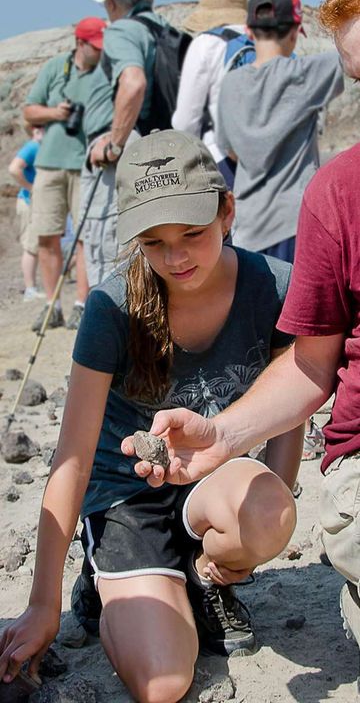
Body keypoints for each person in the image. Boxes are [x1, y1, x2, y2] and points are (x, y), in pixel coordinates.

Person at [0, 131, 303, 703]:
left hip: (213, 477)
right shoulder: (112, 307)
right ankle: (106, 582)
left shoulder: (273, 286)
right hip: (125, 498)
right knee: (164, 684)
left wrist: (273, 512)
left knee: (269, 512)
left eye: (192, 233)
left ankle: (206, 577)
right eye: (155, 241)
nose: (177, 256)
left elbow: (289, 407)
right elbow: (72, 457)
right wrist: (43, 604)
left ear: (227, 211)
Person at [131, 0, 360, 666]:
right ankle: (262, 499)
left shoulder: (229, 84)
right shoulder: (312, 90)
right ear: (299, 30)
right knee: (282, 354)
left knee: (264, 361)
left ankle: (250, 501)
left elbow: (211, 141)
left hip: (244, 230)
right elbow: (312, 365)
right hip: (288, 233)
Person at [216, 0, 344, 263]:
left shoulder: (230, 84)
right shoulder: (305, 74)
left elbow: (230, 151)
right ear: (295, 33)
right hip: (296, 222)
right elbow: (350, 58)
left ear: (249, 31)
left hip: (248, 226)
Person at [81, 0, 165, 288]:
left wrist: (113, 144)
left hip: (119, 155)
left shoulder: (121, 31)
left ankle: (112, 331)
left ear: (113, 1)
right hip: (155, 148)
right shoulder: (164, 29)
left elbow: (132, 82)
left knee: (108, 247)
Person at [23, 16, 106, 331]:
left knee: (86, 238)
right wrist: (55, 113)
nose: (100, 51)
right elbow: (30, 110)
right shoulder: (56, 68)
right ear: (80, 43)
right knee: (47, 235)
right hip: (49, 164)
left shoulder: (106, 71)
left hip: (87, 166)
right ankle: (51, 304)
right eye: (95, 46)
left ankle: (81, 304)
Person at [172, 0, 248, 188]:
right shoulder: (265, 39)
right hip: (270, 163)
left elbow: (186, 120)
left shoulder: (206, 44)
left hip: (222, 160)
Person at [8, 125, 45, 301]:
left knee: (35, 244)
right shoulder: (33, 146)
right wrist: (30, 188)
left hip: (34, 203)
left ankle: (33, 286)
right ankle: (30, 289)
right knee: (30, 246)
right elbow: (14, 169)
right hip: (28, 202)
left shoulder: (40, 147)